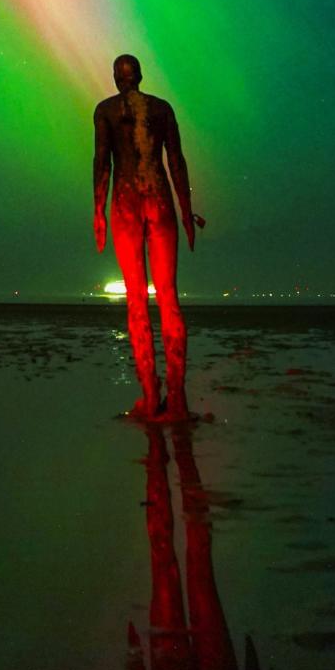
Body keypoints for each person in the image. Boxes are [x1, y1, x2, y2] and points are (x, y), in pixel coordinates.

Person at [93, 54, 202, 419]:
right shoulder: (162, 109)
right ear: (139, 76)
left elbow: (102, 161)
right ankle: (178, 398)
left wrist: (98, 212)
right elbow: (176, 161)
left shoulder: (106, 110)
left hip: (125, 203)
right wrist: (185, 210)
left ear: (115, 78)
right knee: (168, 297)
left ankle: (150, 395)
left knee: (137, 301)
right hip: (160, 201)